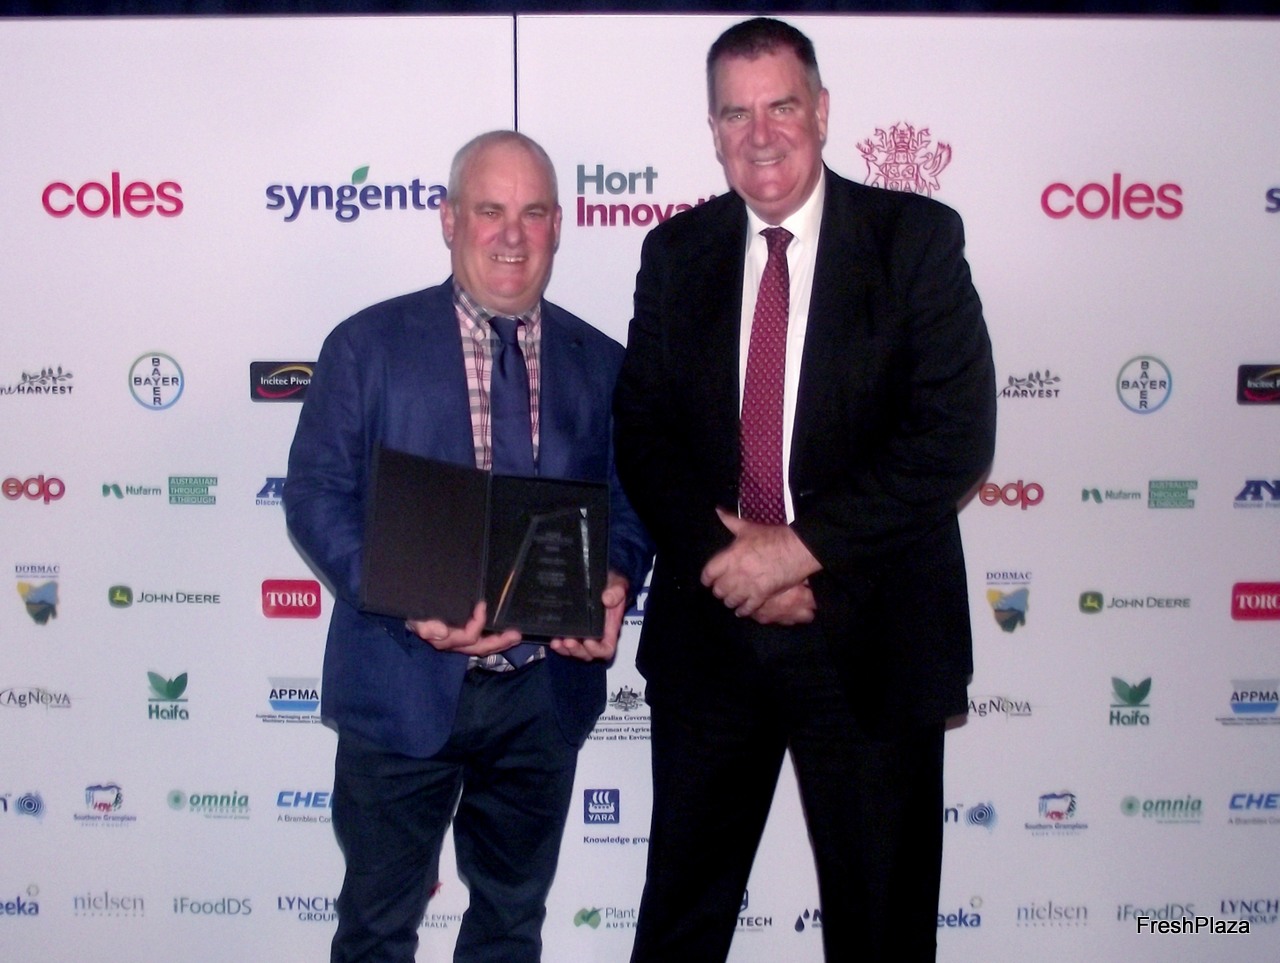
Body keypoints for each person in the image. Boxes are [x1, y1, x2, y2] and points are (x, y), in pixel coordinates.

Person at [613, 17, 996, 963]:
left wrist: (794, 551)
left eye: (781, 106)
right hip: (713, 638)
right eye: (735, 114)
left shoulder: (914, 239)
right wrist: (732, 564)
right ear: (712, 130)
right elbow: (643, 435)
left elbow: (953, 437)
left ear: (822, 112)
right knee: (678, 926)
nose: (761, 134)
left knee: (882, 931)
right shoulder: (676, 254)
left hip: (872, 642)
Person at [285, 129, 651, 963]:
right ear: (449, 219)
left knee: (510, 927)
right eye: (490, 210)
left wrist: (617, 574)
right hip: (401, 684)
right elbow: (314, 495)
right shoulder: (367, 346)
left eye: (533, 212)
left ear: (558, 225)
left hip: (541, 697)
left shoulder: (603, 363)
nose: (512, 235)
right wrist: (399, 591)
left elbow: (631, 503)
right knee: (377, 930)